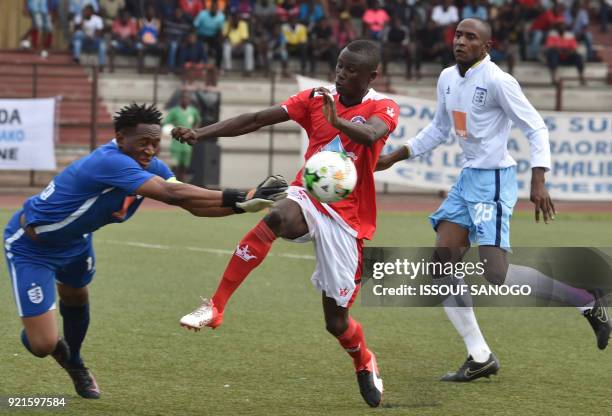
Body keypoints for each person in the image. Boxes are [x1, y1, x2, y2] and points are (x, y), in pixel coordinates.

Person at [376, 18, 610, 382]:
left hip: (495, 182)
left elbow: (535, 126)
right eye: (458, 35)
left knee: (496, 275)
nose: (462, 42)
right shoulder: (447, 78)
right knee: (442, 264)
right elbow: (439, 128)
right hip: (468, 180)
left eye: (471, 37)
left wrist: (538, 178)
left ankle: (585, 300)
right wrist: (396, 155)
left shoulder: (499, 81)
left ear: (487, 46)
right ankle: (480, 355)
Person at [3, 103, 287, 400]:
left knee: (76, 295)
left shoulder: (151, 167)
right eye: (142, 143)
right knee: (43, 345)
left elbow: (191, 204)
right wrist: (243, 195)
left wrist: (242, 207)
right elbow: (171, 193)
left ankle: (75, 361)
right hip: (32, 245)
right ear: (120, 137)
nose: (150, 150)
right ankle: (57, 348)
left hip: (75, 242)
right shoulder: (109, 161)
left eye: (154, 143)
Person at [173, 39, 400, 407]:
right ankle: (216, 306)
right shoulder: (315, 96)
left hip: (348, 221)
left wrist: (337, 121)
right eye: (339, 65)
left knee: (337, 323)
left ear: (371, 76)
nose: (340, 73)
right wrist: (202, 134)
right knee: (278, 215)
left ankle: (363, 359)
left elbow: (373, 134)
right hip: (308, 196)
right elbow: (257, 119)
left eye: (350, 70)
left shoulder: (384, 106)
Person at [164, 90, 202, 181]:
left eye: (187, 98)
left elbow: (198, 120)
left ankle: (182, 183)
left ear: (189, 100)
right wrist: (173, 130)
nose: (185, 100)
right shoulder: (174, 111)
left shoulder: (193, 111)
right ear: (180, 99)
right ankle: (174, 182)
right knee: (175, 166)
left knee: (184, 166)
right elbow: (166, 122)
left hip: (187, 144)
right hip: (176, 143)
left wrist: (194, 130)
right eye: (184, 98)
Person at [72, 5, 106, 69]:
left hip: (94, 41)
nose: (86, 12)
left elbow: (99, 33)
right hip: (84, 41)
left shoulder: (97, 19)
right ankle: (77, 59)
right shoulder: (79, 18)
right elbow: (75, 31)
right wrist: (83, 20)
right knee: (77, 39)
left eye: (88, 11)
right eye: (85, 11)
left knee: (102, 46)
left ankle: (101, 64)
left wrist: (92, 37)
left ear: (92, 12)